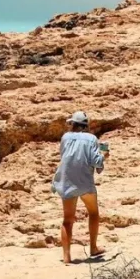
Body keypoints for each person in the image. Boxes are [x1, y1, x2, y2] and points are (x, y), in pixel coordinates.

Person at [52, 110, 108, 265]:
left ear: (73, 124)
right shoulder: (91, 139)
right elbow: (96, 161)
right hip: (84, 182)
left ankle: (66, 257)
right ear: (86, 126)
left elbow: (64, 155)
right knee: (93, 213)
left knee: (67, 220)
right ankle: (93, 248)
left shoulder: (65, 137)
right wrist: (104, 155)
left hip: (66, 181)